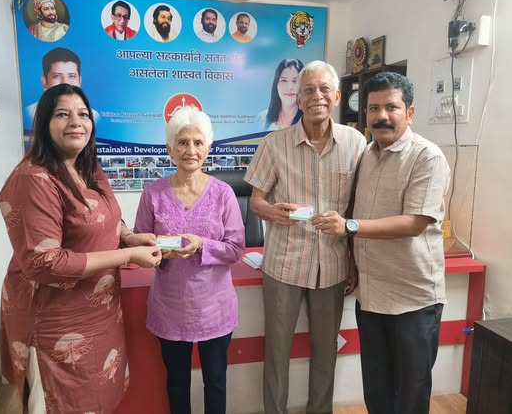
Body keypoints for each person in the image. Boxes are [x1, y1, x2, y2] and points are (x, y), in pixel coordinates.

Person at [0, 83, 162, 413]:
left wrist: (129, 237)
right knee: (62, 404)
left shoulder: (88, 167)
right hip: (54, 323)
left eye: (83, 114)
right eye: (63, 114)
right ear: (44, 123)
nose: (76, 122)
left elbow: (107, 218)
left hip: (99, 315)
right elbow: (44, 262)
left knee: (98, 401)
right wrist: (128, 255)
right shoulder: (34, 179)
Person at [313, 72, 450, 414]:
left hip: (413, 300)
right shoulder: (367, 155)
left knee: (410, 395)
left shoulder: (427, 157)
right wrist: (352, 261)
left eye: (392, 107)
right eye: (373, 108)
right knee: (376, 391)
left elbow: (414, 223)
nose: (381, 116)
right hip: (372, 297)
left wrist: (349, 227)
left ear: (410, 112)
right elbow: (359, 209)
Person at [244, 60, 366, 414]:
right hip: (284, 263)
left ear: (337, 96)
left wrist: (353, 261)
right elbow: (255, 200)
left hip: (332, 265)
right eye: (309, 90)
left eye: (325, 89)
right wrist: (272, 212)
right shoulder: (274, 144)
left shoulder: (355, 143)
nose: (317, 96)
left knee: (326, 350)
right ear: (297, 98)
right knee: (277, 351)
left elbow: (356, 208)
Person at [134, 106, 245, 414]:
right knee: (177, 383)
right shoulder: (153, 193)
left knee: (216, 381)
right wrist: (158, 252)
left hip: (214, 307)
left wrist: (201, 246)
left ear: (208, 148)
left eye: (198, 142)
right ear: (170, 149)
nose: (190, 150)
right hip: (170, 306)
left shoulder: (223, 193)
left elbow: (236, 248)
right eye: (182, 142)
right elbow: (140, 245)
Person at [24, 47, 99, 149]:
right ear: (44, 81)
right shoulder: (29, 112)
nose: (65, 82)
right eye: (62, 114)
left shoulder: (95, 115)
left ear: (79, 81)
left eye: (71, 76)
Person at [257, 58, 304, 131]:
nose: (289, 87)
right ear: (276, 84)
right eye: (284, 80)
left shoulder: (309, 120)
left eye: (295, 81)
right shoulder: (262, 118)